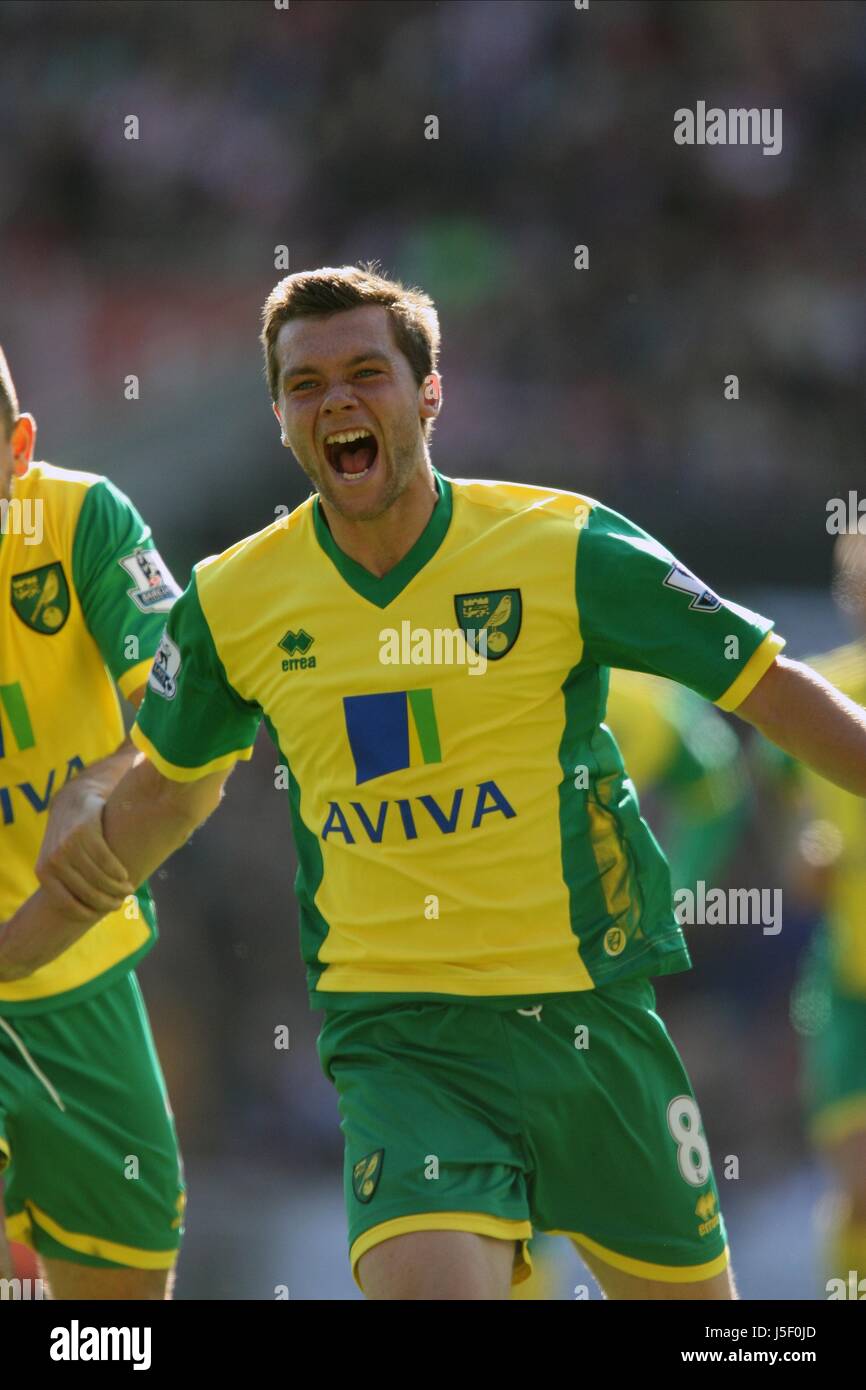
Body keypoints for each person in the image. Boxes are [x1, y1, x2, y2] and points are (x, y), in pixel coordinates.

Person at [5, 265, 866, 1301]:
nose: (336, 402)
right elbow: (162, 800)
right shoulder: (235, 602)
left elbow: (764, 687)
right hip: (401, 1044)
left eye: (366, 372)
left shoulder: (560, 546)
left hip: (589, 1025)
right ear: (280, 416)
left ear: (429, 394)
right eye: (305, 384)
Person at [0, 347, 185, 1300]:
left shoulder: (79, 521)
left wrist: (102, 781)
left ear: (17, 449)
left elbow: (190, 707)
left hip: (79, 970)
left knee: (121, 1311)